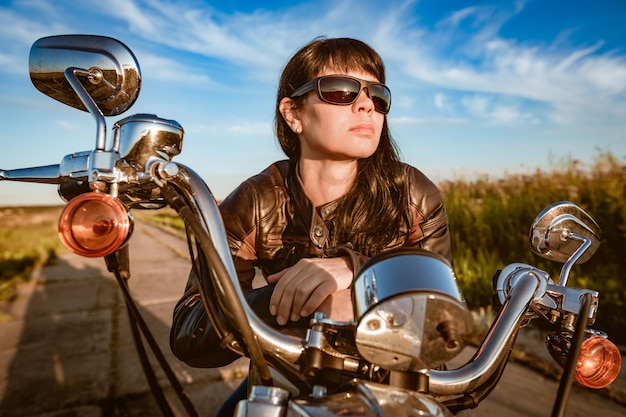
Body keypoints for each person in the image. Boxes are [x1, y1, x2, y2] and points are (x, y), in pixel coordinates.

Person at [170, 37, 452, 416]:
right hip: (288, 377)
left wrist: (357, 271)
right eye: (340, 90)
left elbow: (441, 325)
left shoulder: (414, 196)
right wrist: (291, 301)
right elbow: (191, 328)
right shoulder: (254, 200)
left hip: (390, 385)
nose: (366, 105)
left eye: (378, 96)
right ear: (293, 114)